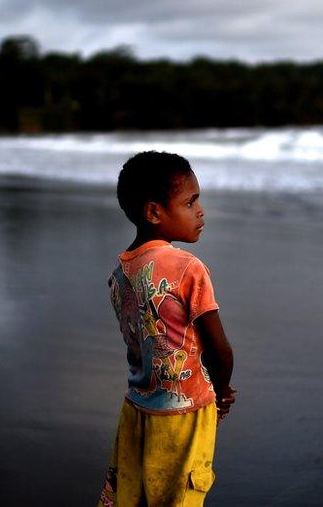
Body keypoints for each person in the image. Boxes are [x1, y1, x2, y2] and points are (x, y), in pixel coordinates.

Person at [99, 151, 236, 507]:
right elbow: (220, 349)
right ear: (154, 212)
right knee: (181, 496)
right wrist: (220, 391)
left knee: (134, 496)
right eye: (190, 202)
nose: (201, 211)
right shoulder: (187, 267)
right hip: (185, 414)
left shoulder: (120, 273)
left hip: (138, 411)